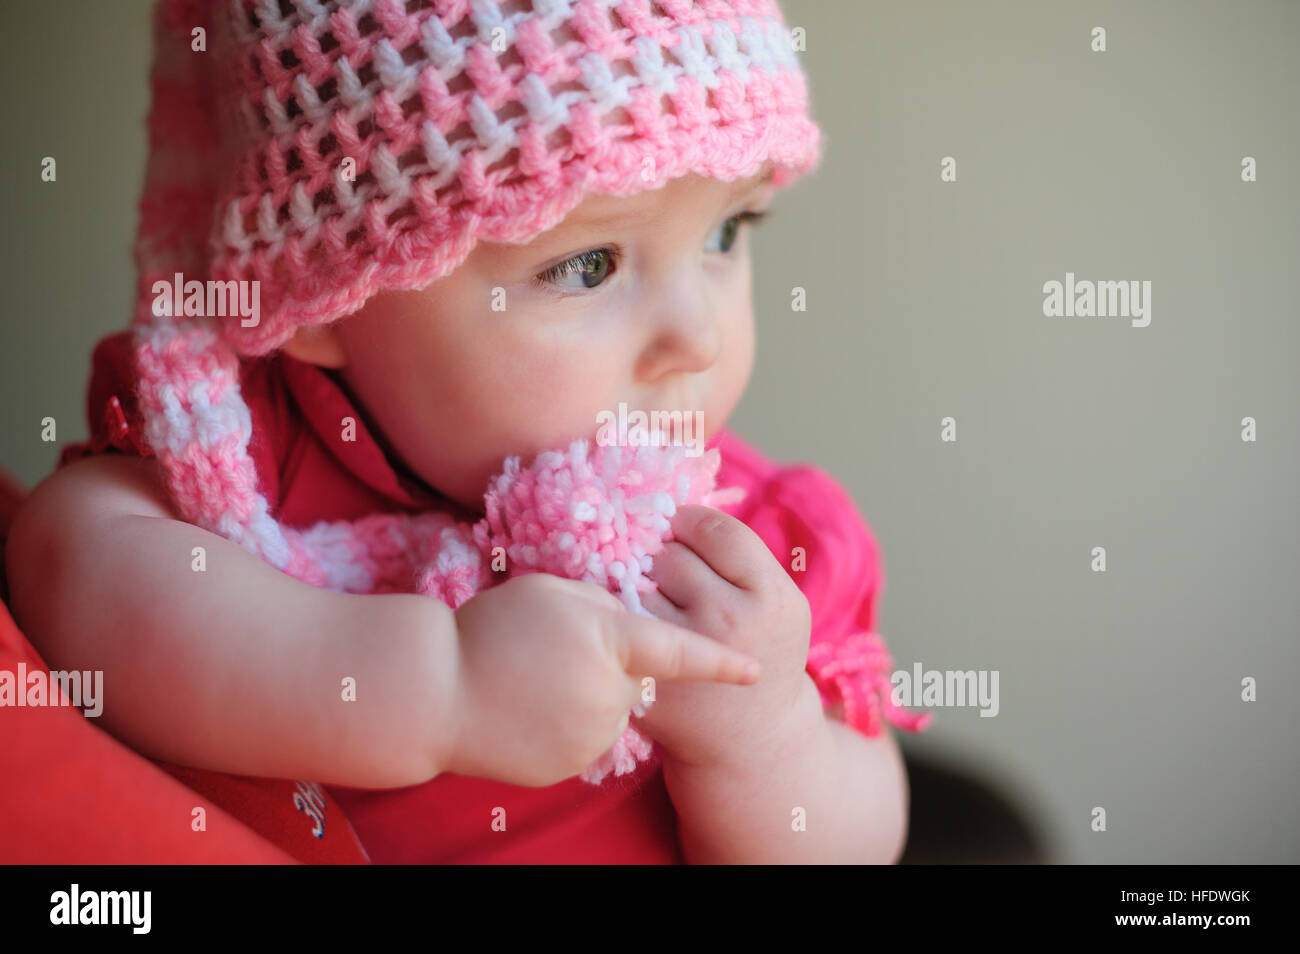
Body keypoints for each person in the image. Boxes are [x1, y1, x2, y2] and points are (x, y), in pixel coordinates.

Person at [5, 0, 930, 863]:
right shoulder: (253, 460)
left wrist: (764, 735)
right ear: (326, 291)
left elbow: (862, 833)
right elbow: (67, 565)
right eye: (589, 263)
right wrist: (442, 690)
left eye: (728, 233)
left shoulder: (748, 549)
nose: (699, 336)